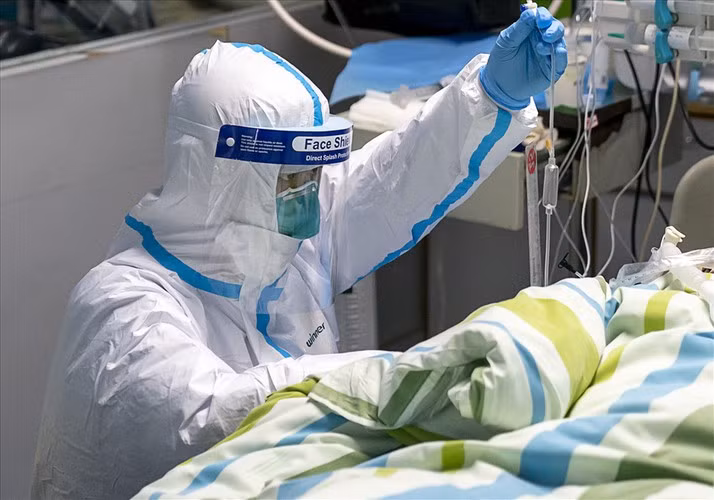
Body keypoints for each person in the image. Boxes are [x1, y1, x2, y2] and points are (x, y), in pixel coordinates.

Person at [32, 6, 566, 499]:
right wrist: (403, 376)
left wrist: (490, 97)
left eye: (312, 178)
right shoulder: (119, 309)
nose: (309, 203)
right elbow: (219, 418)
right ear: (219, 175)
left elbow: (393, 178)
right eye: (292, 180)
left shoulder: (280, 250)